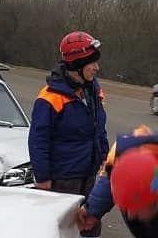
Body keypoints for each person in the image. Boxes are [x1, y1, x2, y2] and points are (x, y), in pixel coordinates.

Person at [28, 31, 109, 196]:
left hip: (89, 176)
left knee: (89, 221)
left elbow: (99, 129)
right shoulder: (49, 97)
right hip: (62, 181)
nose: (96, 68)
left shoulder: (93, 90)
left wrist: (105, 157)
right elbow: (38, 141)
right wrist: (43, 179)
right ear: (77, 64)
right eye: (92, 63)